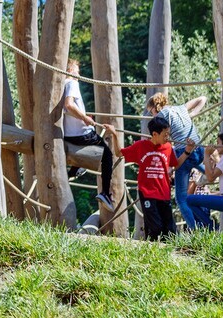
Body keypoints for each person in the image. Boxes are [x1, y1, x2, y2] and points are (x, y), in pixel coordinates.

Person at [61, 59, 117, 211]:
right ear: (68, 70)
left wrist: (83, 115)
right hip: (81, 134)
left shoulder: (60, 84)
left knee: (93, 145)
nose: (78, 75)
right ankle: (105, 193)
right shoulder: (71, 83)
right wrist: (85, 118)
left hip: (68, 134)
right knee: (107, 155)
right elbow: (69, 105)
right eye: (76, 71)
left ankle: (73, 171)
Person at [143, 92, 209, 221]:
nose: (152, 116)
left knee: (181, 199)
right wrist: (193, 113)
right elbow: (203, 98)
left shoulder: (160, 117)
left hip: (185, 154)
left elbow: (160, 140)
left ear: (155, 108)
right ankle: (208, 174)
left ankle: (195, 230)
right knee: (194, 161)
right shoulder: (181, 107)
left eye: (151, 112)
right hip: (199, 149)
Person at [117, 115, 178, 240]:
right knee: (155, 227)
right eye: (165, 134)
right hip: (147, 192)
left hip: (164, 193)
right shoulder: (140, 146)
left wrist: (188, 151)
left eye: (168, 134)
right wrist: (113, 134)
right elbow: (120, 153)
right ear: (155, 134)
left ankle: (167, 254)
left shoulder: (168, 148)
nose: (168, 137)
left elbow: (174, 164)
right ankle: (151, 250)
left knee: (170, 229)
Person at [182, 132, 223, 232]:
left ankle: (212, 227)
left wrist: (206, 154)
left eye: (218, 142)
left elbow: (210, 177)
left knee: (189, 199)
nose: (216, 146)